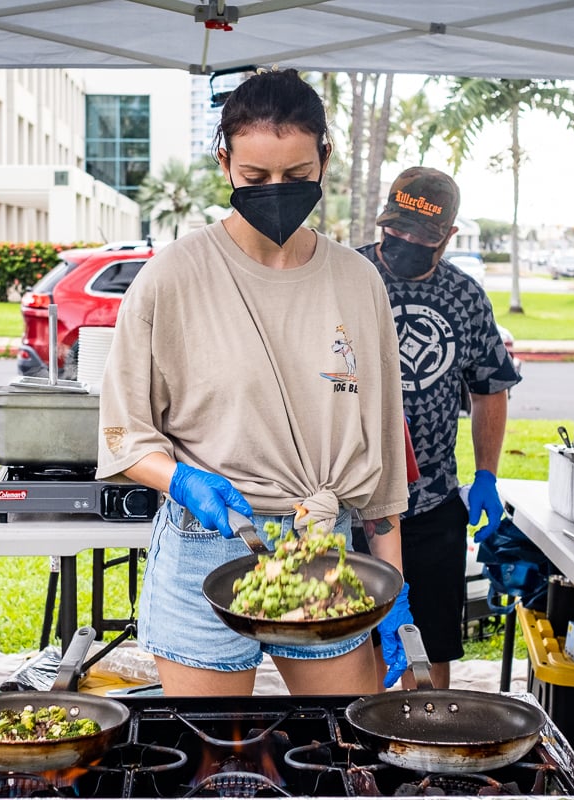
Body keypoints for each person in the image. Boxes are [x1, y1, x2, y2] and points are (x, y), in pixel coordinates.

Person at [95, 69, 412, 697]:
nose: (277, 192)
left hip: (325, 549)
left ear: (325, 158)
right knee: (212, 763)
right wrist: (181, 478)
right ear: (225, 163)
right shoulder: (173, 277)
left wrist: (393, 589)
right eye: (256, 178)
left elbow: (383, 463)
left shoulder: (357, 281)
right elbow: (122, 430)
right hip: (205, 544)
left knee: (338, 754)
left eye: (296, 177)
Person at [356, 167, 521, 689]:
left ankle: (425, 742)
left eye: (421, 235)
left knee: (430, 651)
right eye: (396, 228)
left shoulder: (465, 297)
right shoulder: (346, 277)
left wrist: (487, 475)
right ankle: (355, 752)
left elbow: (491, 386)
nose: (404, 242)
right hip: (346, 503)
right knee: (354, 650)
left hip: (430, 501)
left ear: (448, 236)